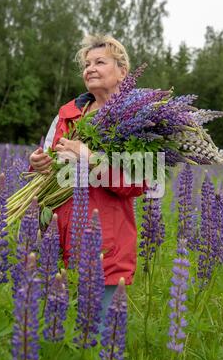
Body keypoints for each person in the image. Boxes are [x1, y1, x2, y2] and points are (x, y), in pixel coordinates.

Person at [29, 34, 145, 327]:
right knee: (59, 330)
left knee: (100, 336)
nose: (90, 68)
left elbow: (140, 181)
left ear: (122, 71)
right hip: (59, 236)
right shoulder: (67, 114)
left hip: (106, 244)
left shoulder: (139, 119)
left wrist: (90, 158)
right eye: (86, 63)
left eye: (100, 62)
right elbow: (49, 166)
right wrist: (39, 164)